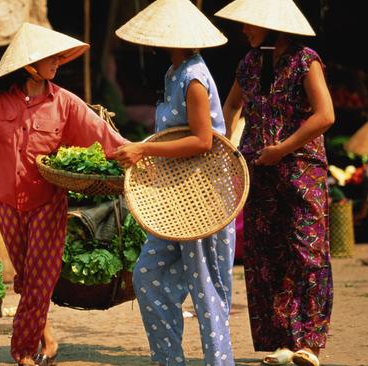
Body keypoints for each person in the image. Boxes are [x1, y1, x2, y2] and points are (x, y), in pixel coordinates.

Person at [0, 22, 128, 366]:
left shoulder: (65, 103)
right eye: (50, 58)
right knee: (27, 276)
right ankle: (46, 335)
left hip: (47, 201)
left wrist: (141, 154)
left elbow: (102, 136)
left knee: (42, 276)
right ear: (29, 65)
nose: (57, 63)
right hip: (6, 202)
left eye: (58, 58)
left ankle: (24, 351)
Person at [111, 1, 235, 365]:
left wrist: (145, 152)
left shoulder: (194, 77)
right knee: (147, 277)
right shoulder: (174, 72)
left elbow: (203, 141)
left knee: (206, 289)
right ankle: (168, 360)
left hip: (201, 196)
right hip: (173, 198)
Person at [215, 0, 335, 365]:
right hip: (259, 172)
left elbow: (325, 115)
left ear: (271, 26)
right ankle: (284, 341)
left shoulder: (305, 60)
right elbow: (231, 108)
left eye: (250, 24)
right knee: (268, 256)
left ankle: (310, 344)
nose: (244, 30)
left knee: (307, 253)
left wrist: (282, 149)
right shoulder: (249, 64)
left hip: (302, 170)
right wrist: (225, 150)